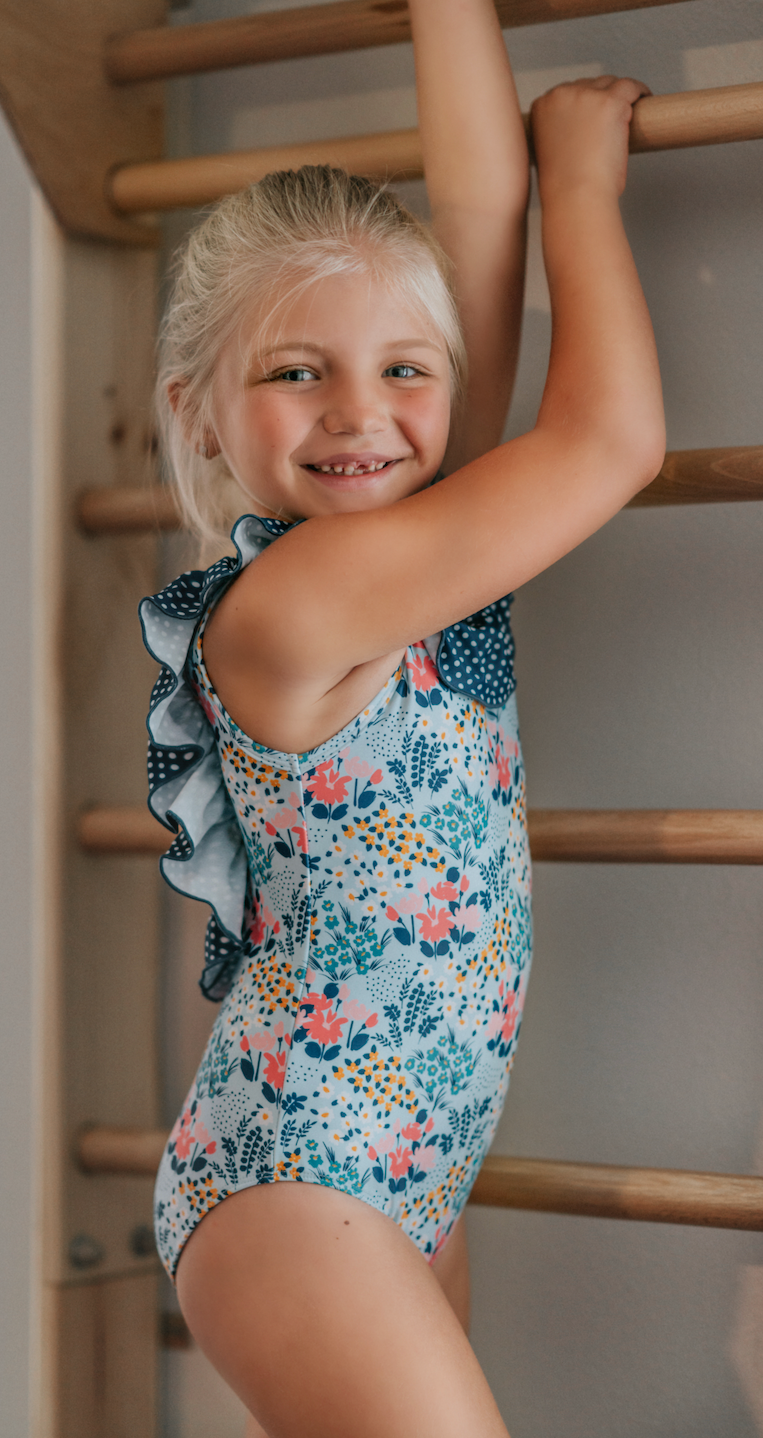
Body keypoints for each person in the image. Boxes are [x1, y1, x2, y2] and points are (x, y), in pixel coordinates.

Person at [138, 0, 664, 1431]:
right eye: (293, 370)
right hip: (301, 1171)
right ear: (199, 411)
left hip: (398, 1161)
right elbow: (612, 440)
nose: (358, 412)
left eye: (402, 369)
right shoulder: (305, 598)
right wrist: (587, 189)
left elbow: (473, 230)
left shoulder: (410, 531)